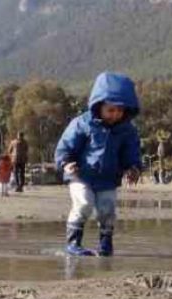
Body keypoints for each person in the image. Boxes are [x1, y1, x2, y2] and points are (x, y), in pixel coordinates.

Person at [54, 72, 142, 257]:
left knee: (107, 210)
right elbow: (66, 146)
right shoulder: (82, 124)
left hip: (108, 179)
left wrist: (133, 167)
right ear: (98, 105)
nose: (115, 114)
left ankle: (105, 244)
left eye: (120, 110)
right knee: (84, 204)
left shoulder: (127, 131)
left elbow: (131, 153)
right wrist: (65, 163)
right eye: (111, 110)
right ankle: (73, 244)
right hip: (80, 175)